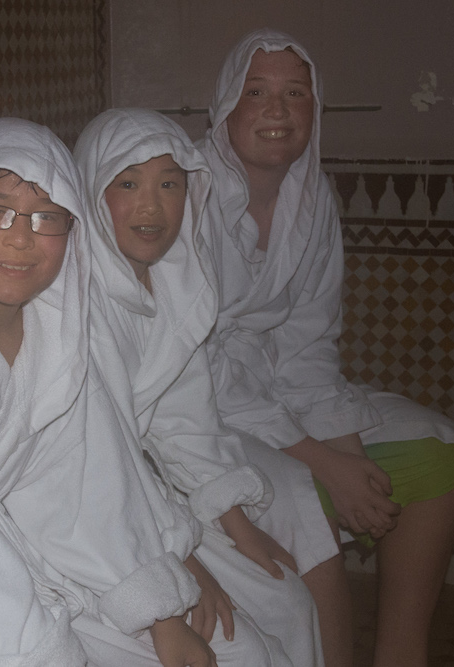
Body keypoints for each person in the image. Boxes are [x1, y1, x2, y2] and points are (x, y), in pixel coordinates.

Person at [0, 117, 288, 666]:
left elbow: (88, 479)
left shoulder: (53, 323)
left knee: (245, 653)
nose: (21, 236)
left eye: (47, 217)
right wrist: (37, 651)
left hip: (23, 547)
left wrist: (160, 612)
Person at [198, 29, 454, 667]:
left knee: (441, 454)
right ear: (224, 109)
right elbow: (199, 362)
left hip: (279, 391)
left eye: (296, 93)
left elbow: (310, 340)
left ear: (314, 110)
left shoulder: (311, 197)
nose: (278, 108)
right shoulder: (188, 196)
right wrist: (322, 461)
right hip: (199, 410)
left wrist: (348, 456)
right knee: (300, 495)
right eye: (257, 92)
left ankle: (402, 653)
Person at [73, 107, 323, 665]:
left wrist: (238, 526)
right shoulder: (77, 311)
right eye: (128, 183)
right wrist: (180, 574)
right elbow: (94, 469)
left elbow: (184, 423)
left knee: (289, 601)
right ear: (90, 193)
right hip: (97, 526)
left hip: (150, 504)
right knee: (240, 648)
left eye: (169, 184)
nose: (150, 205)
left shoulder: (175, 286)